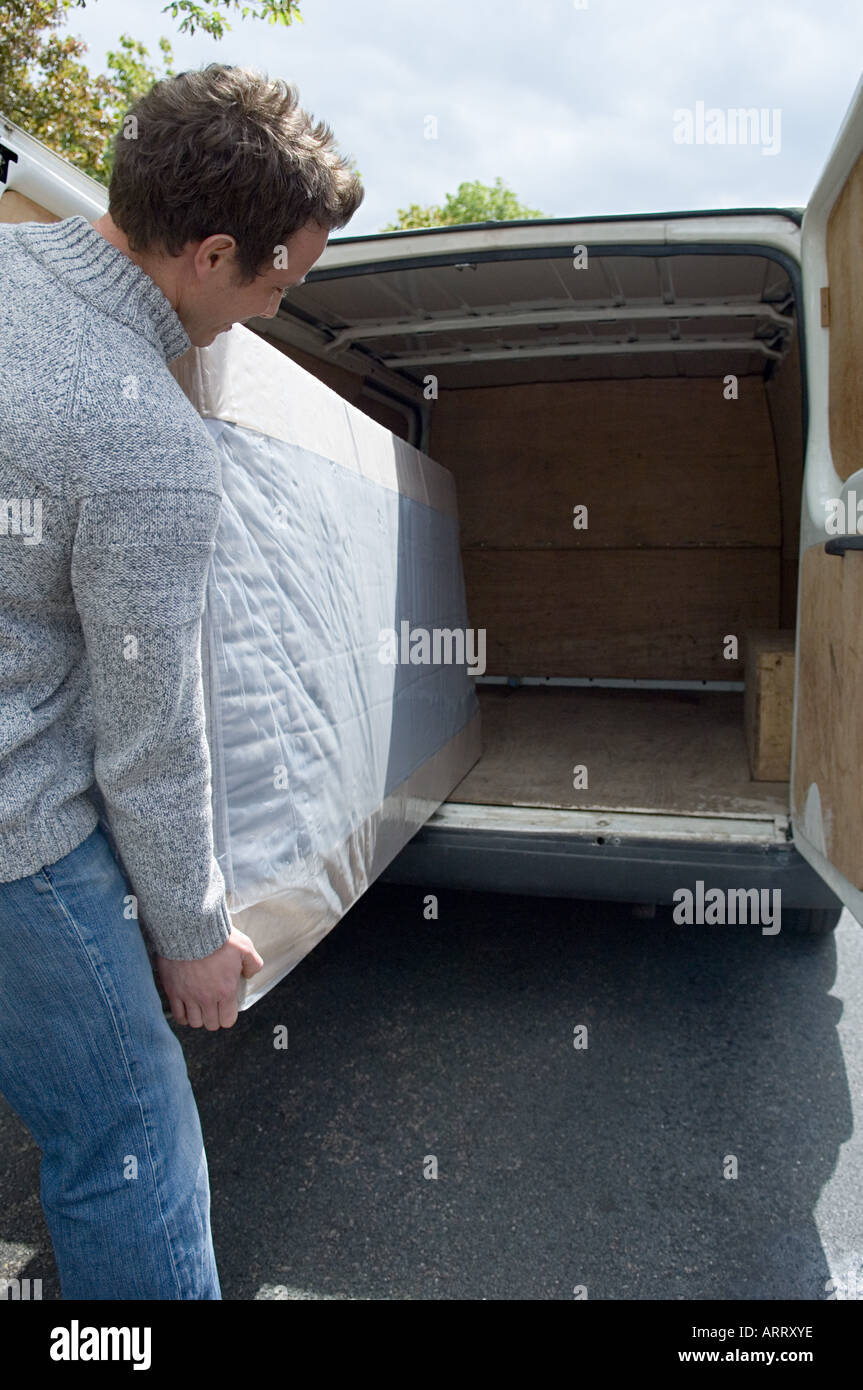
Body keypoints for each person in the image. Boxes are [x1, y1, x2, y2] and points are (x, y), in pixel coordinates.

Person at [0, 63, 364, 1300]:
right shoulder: (146, 441)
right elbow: (153, 738)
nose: (270, 308)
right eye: (277, 281)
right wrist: (194, 933)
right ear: (212, 253)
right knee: (130, 1142)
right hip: (17, 840)